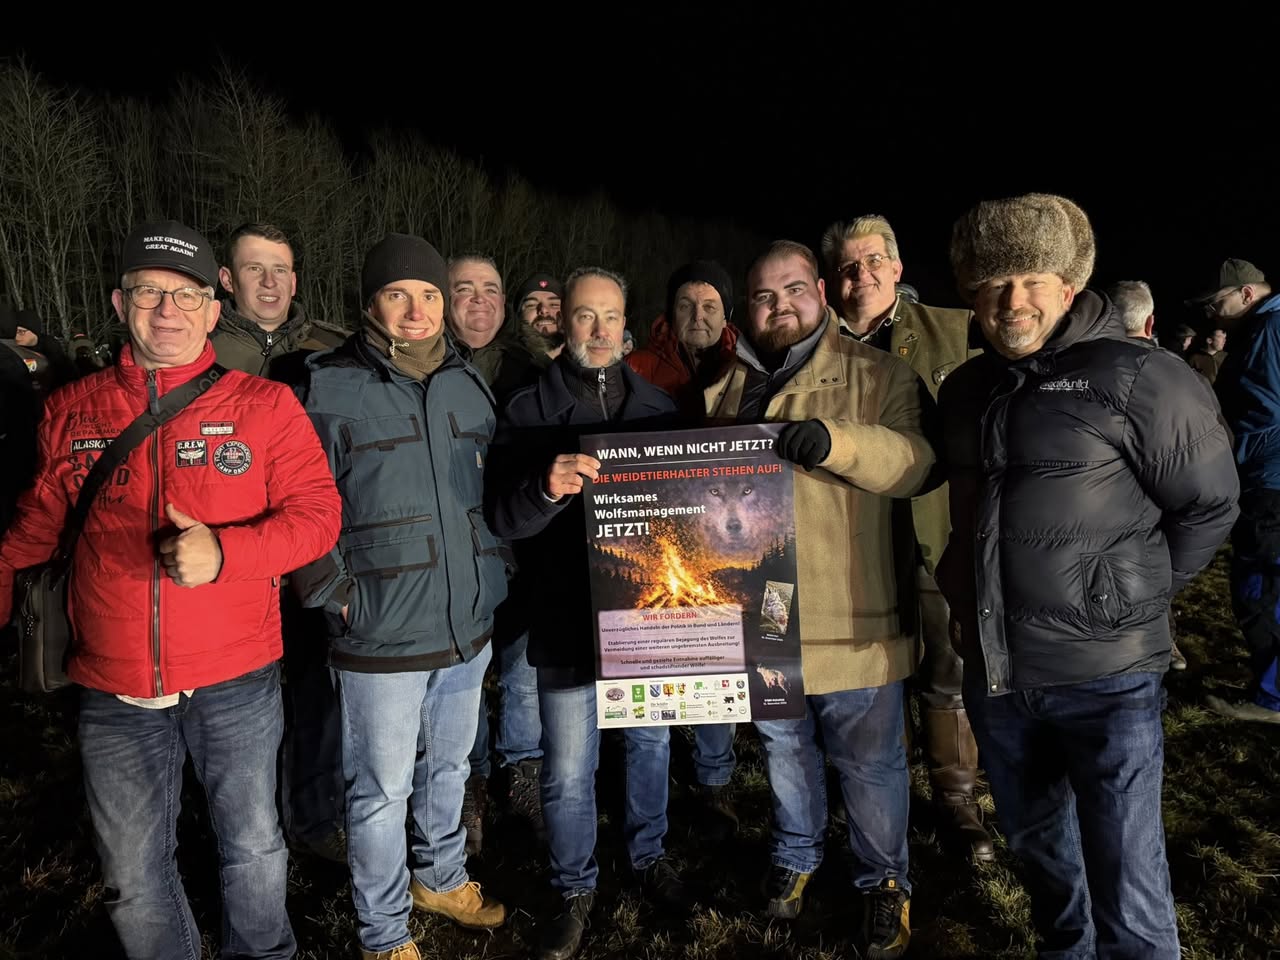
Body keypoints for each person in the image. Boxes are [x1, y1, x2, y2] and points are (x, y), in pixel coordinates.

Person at [0, 219, 343, 960]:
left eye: (185, 294)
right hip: (114, 687)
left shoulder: (264, 406)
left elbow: (318, 518)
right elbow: (32, 534)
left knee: (253, 850)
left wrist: (226, 552)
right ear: (120, 305)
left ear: (213, 311)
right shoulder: (72, 409)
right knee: (131, 876)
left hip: (237, 678)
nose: (168, 310)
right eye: (149, 291)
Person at [939, 194, 1239, 958]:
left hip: (1107, 682)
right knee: (1044, 864)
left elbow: (1209, 503)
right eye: (994, 284)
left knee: (1128, 879)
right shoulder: (965, 391)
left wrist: (1131, 598)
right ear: (972, 294)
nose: (1014, 301)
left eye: (1033, 279)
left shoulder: (1142, 376)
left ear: (1070, 284)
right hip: (1000, 675)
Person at [705, 240, 938, 959]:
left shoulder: (880, 373)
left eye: (793, 290)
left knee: (869, 762)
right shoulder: (723, 391)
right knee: (783, 749)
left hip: (853, 613)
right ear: (747, 309)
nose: (780, 306)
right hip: (766, 613)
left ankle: (883, 882)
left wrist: (838, 442)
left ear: (822, 294)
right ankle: (798, 854)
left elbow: (920, 464)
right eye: (764, 296)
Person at [293, 234, 512, 959]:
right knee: (381, 790)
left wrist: (495, 570)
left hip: (465, 623)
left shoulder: (469, 381)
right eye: (398, 294)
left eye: (428, 295)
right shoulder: (328, 386)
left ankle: (441, 876)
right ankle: (383, 931)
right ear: (370, 304)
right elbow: (298, 498)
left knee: (448, 765)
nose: (416, 310)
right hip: (380, 631)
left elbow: (491, 494)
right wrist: (334, 592)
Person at [485, 267, 682, 960]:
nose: (598, 332)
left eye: (609, 317)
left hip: (646, 618)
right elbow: (503, 518)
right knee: (568, 767)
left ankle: (647, 856)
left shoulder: (659, 408)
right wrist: (545, 488)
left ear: (627, 324)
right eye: (583, 317)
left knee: (651, 743)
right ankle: (574, 887)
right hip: (566, 616)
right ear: (560, 323)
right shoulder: (526, 410)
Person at [821, 214, 993, 862]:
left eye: (870, 262)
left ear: (896, 269)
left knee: (947, 674)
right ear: (832, 282)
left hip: (935, 534)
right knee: (868, 677)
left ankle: (957, 802)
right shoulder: (819, 347)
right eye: (846, 267)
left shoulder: (955, 330)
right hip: (850, 544)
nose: (859, 276)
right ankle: (867, 795)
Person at [1193, 259, 1280, 723]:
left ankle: (1272, 698)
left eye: (1216, 302)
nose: (1212, 314)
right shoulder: (1266, 327)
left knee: (1260, 586)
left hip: (1270, 480)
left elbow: (1264, 410)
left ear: (1247, 294)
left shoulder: (1267, 331)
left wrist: (1228, 446)